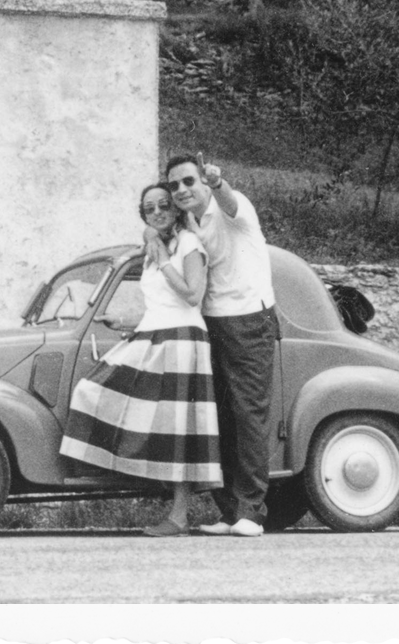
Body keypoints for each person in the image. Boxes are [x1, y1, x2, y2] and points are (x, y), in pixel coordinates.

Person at [60, 182, 222, 537]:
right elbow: (161, 306)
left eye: (165, 205)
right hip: (155, 333)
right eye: (150, 209)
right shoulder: (154, 248)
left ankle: (179, 516)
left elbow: (192, 295)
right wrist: (123, 322)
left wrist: (164, 260)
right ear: (144, 215)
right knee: (92, 391)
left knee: (179, 431)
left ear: (176, 209)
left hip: (181, 341)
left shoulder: (189, 245)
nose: (159, 212)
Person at [147, 153, 277, 538]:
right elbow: (156, 226)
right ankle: (230, 510)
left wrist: (219, 182)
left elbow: (231, 202)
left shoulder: (232, 208)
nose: (182, 190)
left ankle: (252, 513)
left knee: (248, 414)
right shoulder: (187, 223)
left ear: (202, 181)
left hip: (249, 320)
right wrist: (150, 234)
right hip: (211, 322)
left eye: (189, 181)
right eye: (175, 186)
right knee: (217, 418)